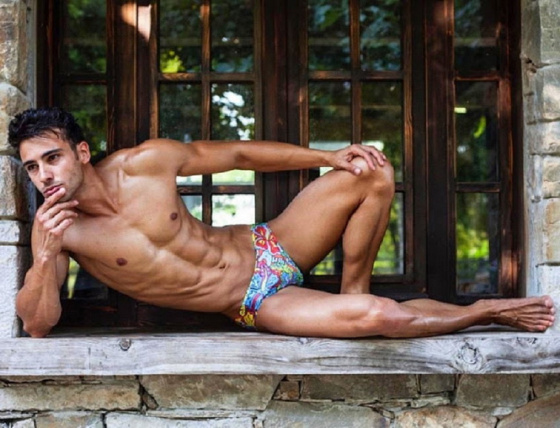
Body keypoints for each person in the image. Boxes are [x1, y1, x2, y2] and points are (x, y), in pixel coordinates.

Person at [8, 107, 555, 338]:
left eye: (52, 158)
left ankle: (353, 289)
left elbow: (239, 154)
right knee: (379, 316)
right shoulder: (59, 230)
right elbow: (37, 324)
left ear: (81, 152)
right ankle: (485, 311)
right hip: (253, 300)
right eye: (32, 167)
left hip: (270, 243)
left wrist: (328, 155)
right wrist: (46, 257)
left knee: (371, 170)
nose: (43, 175)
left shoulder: (145, 163)